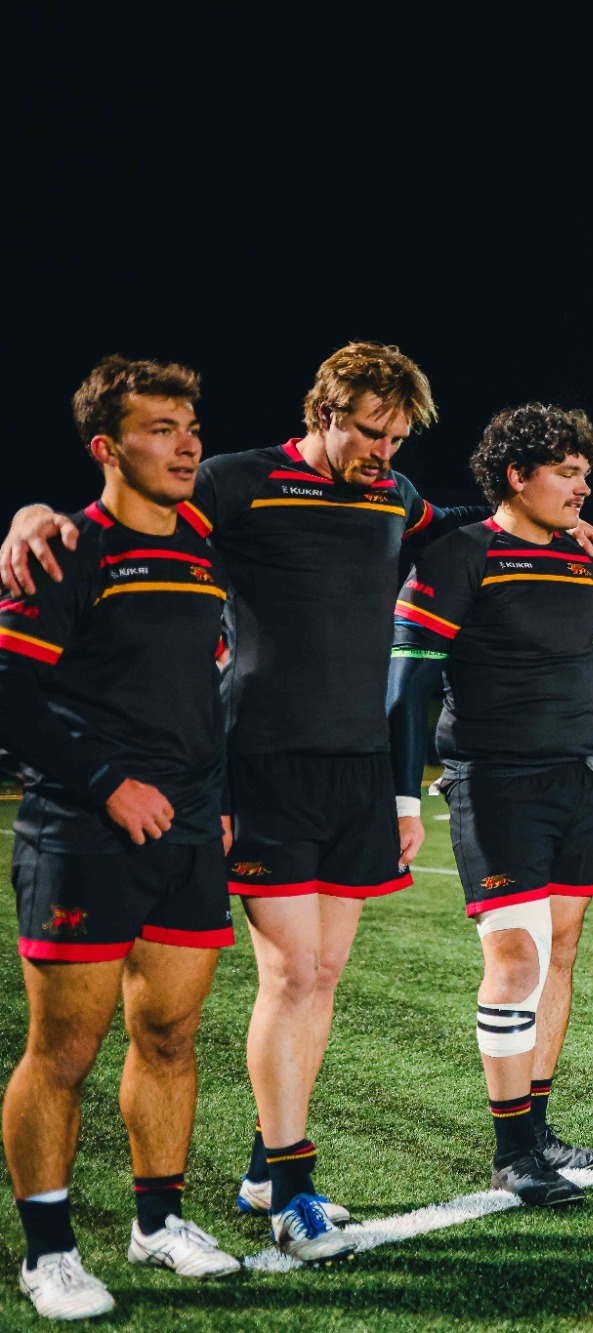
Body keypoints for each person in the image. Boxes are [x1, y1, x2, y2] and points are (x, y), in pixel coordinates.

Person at [2, 342, 593, 1260]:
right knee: (291, 975)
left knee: (321, 976)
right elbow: (134, 513)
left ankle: (262, 1162)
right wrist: (32, 512)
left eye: (400, 436)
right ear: (323, 411)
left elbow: (455, 520)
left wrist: (556, 523)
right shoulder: (237, 482)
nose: (385, 450)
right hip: (261, 762)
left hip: (359, 767)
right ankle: (291, 1186)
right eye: (371, 431)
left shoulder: (394, 496)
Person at [2, 358, 241, 1317]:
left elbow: (206, 689)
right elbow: (11, 693)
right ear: (108, 447)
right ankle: (48, 1251)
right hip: (83, 829)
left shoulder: (205, 544)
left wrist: (211, 796)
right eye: (159, 427)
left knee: (172, 1034)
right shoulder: (65, 549)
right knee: (62, 1046)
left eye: (190, 424)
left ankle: (157, 1223)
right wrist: (108, 783)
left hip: (189, 827)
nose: (185, 443)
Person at [386, 405, 593, 1204]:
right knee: (517, 961)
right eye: (567, 472)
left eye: (585, 474)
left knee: (562, 953)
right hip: (492, 780)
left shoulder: (580, 566)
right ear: (518, 475)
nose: (582, 488)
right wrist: (405, 795)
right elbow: (407, 692)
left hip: (572, 778)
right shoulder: (456, 555)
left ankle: (537, 1128)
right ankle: (511, 1151)